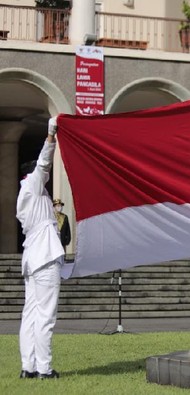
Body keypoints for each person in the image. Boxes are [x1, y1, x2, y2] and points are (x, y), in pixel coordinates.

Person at [16, 116, 63, 379]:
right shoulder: (32, 187)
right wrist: (51, 135)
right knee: (45, 315)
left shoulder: (28, 196)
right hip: (44, 258)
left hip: (33, 259)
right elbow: (44, 162)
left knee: (31, 315)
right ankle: (44, 369)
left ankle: (28, 367)